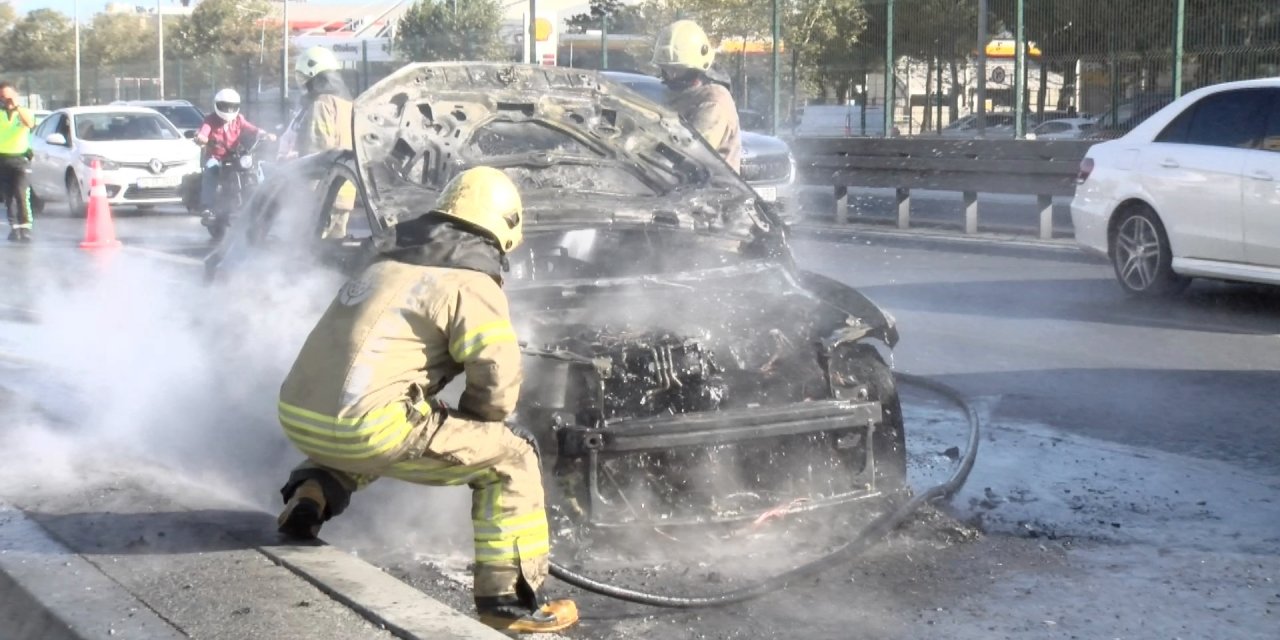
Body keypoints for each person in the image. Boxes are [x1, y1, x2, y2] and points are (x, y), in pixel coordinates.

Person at [273, 166, 579, 634]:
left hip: (299, 416)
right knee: (513, 458)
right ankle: (507, 603)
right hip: (366, 426)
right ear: (505, 226)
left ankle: (311, 494)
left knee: (390, 421)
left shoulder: (386, 263)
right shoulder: (471, 282)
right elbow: (496, 383)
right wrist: (480, 430)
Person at [652, 20, 742, 173]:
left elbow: (691, 154)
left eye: (677, 69)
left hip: (713, 192)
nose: (671, 75)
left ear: (697, 68)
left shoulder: (714, 101)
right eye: (666, 68)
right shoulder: (682, 95)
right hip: (682, 189)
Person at [291, 46, 356, 239]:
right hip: (346, 190)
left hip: (322, 192)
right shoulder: (348, 103)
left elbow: (317, 150)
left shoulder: (321, 103)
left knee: (310, 249)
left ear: (315, 75)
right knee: (335, 252)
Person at [193, 88, 275, 218]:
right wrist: (201, 138)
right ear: (217, 105)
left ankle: (261, 202)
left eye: (232, 107)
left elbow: (252, 129)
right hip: (216, 157)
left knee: (253, 170)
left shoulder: (238, 119)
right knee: (211, 169)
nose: (228, 110)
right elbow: (203, 132)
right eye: (225, 106)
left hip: (235, 156)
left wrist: (265, 134)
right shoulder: (210, 120)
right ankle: (207, 206)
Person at [0, 82, 35, 242]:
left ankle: (25, 227)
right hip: (2, 159)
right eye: (2, 97)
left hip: (20, 159)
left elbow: (30, 124)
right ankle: (14, 227)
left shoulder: (24, 112)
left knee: (21, 193)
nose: (6, 100)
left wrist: (17, 107)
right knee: (8, 196)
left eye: (9, 97)